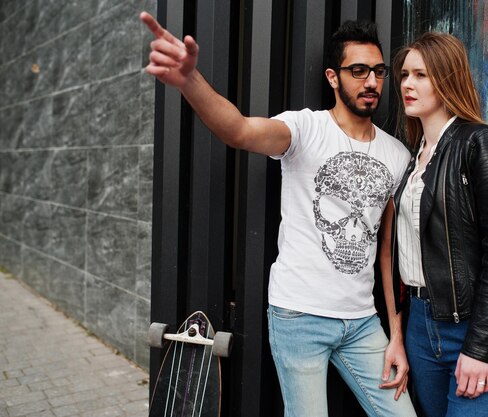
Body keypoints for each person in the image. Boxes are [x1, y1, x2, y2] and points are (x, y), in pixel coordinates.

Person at [140, 11, 418, 417]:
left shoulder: (397, 155)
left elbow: (387, 253)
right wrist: (189, 80)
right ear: (332, 77)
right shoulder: (304, 129)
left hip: (362, 322)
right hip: (299, 315)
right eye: (358, 71)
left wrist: (395, 333)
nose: (372, 82)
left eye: (378, 71)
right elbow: (236, 130)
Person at [379, 32, 488, 417]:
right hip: (420, 332)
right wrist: (398, 334)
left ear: (447, 78)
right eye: (405, 74)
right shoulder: (415, 160)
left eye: (421, 75)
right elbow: (403, 255)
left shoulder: (480, 142)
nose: (407, 84)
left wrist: (479, 348)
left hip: (475, 328)